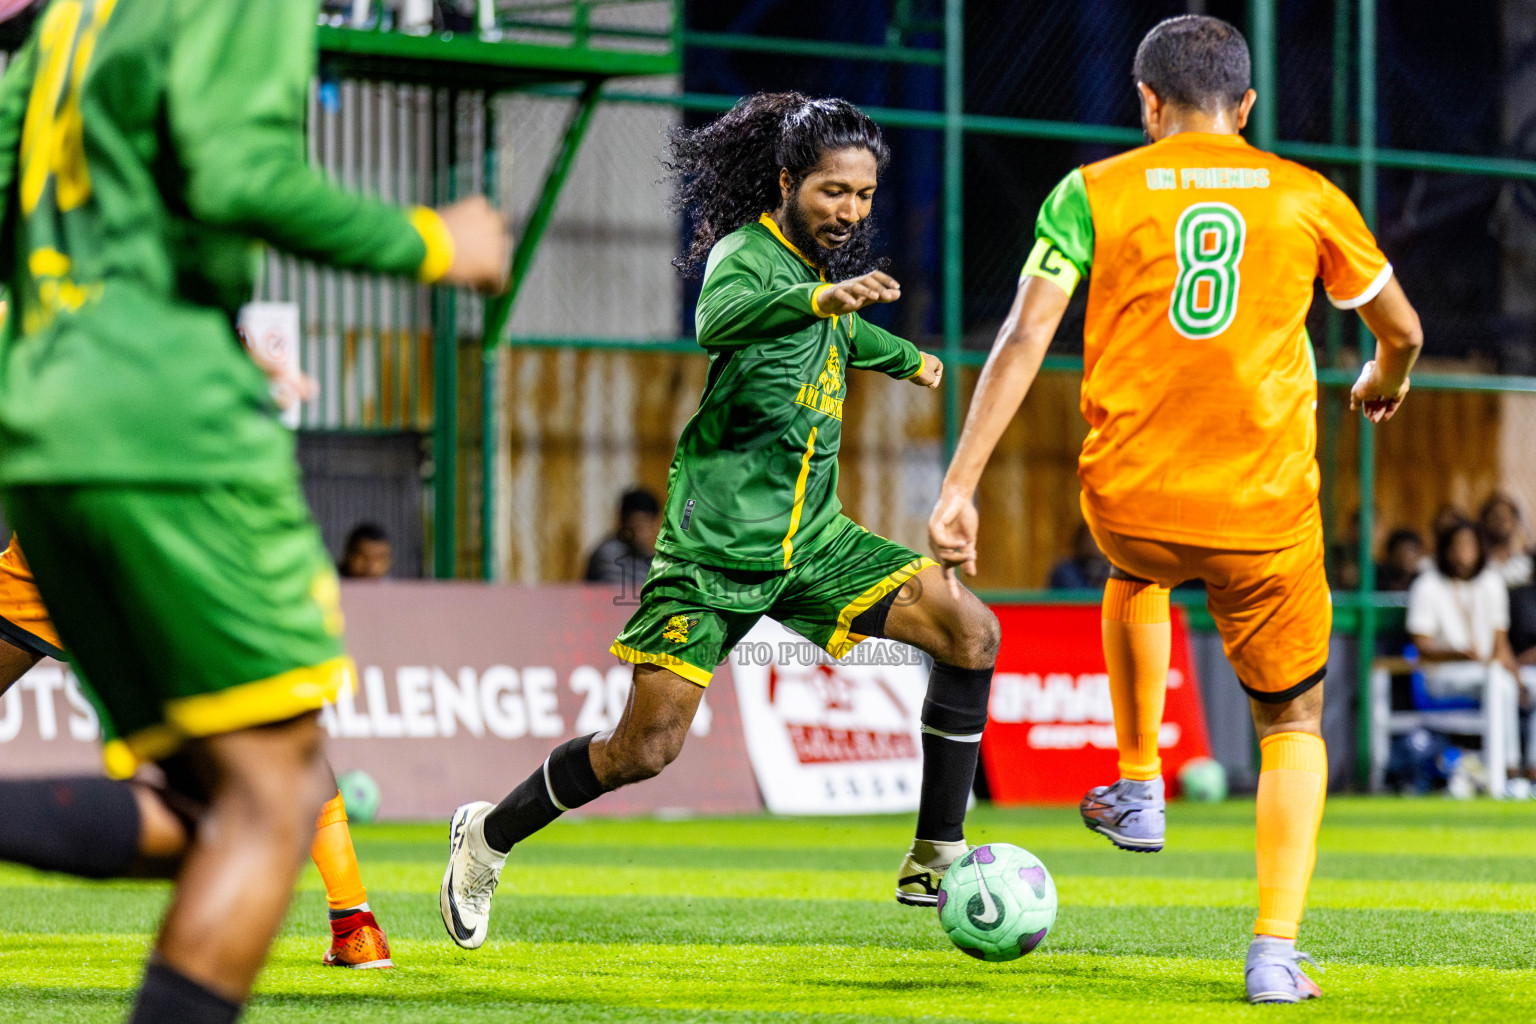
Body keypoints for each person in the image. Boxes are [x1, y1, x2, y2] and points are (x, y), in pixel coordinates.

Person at [0, 3, 508, 1022]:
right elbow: (242, 179)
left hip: (48, 419)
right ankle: (353, 917)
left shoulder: (73, 20)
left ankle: (349, 918)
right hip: (171, 427)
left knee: (223, 802)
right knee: (272, 796)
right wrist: (432, 240)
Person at [925, 15, 1422, 1004]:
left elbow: (1025, 334)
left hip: (1134, 497)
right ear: (1245, 107)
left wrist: (959, 485)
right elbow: (1402, 328)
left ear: (1147, 103)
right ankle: (1274, 954)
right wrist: (1379, 375)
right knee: (1294, 719)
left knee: (1134, 568)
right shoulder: (1309, 196)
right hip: (1267, 513)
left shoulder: (1091, 194)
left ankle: (1142, 778)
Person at [440, 92, 1001, 951]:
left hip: (815, 543)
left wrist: (910, 359)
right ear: (786, 182)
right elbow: (719, 322)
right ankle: (487, 836)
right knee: (641, 751)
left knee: (970, 631)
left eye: (862, 195)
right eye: (831, 192)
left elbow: (852, 341)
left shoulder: (827, 286)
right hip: (712, 557)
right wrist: (825, 302)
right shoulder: (748, 257)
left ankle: (936, 849)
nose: (850, 211)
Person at [0, 533, 394, 969]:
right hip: (192, 528)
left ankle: (351, 923)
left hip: (66, 507)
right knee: (268, 732)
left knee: (229, 784)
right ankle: (355, 922)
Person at [1406, 519, 1523, 784]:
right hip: (1444, 675)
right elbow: (1421, 644)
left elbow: (1500, 642)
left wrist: (1514, 673)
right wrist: (1459, 654)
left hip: (1490, 672)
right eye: (1456, 546)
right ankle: (1507, 770)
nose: (1462, 552)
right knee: (1499, 683)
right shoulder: (1428, 584)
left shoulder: (1492, 582)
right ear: (1445, 550)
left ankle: (1530, 771)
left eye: (1469, 546)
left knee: (1512, 683)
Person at [584, 487, 661, 588]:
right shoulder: (609, 553)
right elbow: (616, 593)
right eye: (636, 525)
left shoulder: (649, 559)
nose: (641, 533)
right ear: (623, 523)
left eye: (645, 526)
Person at [1480, 493, 1533, 588]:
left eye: (1504, 518)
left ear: (1515, 522)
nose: (1500, 523)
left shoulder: (1528, 561)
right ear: (1485, 521)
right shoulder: (1479, 561)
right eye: (1496, 517)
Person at [1048, 522, 1112, 590]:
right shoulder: (1066, 570)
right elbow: (1081, 598)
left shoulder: (1107, 569)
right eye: (1095, 536)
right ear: (1082, 539)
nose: (1100, 542)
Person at [1376, 528, 1424, 592]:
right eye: (1403, 551)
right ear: (1391, 553)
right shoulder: (1376, 577)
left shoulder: (1420, 581)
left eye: (1413, 551)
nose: (1408, 557)